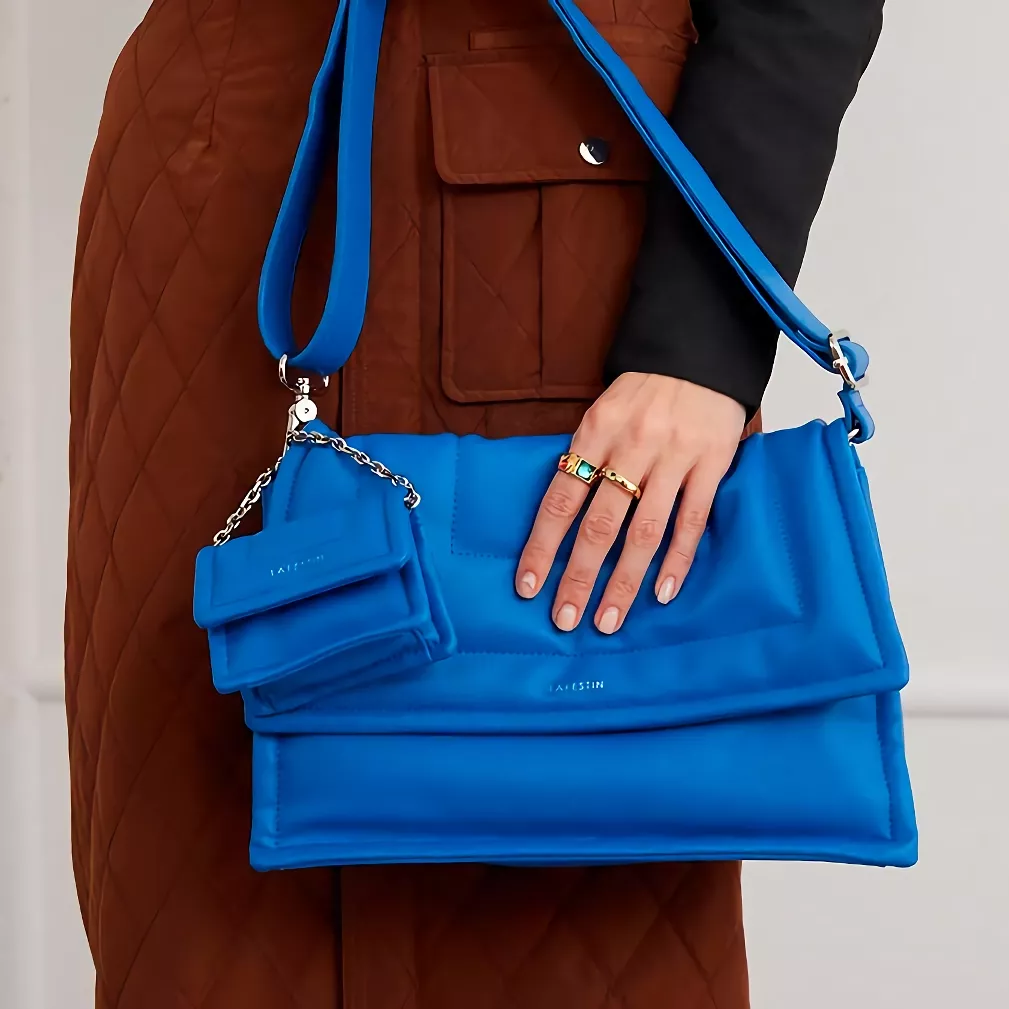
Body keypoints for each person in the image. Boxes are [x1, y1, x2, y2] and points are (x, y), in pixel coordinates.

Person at [65, 1, 884, 1006]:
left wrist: (701, 338)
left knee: (569, 877)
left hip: (552, 198)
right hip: (214, 184)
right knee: (196, 876)